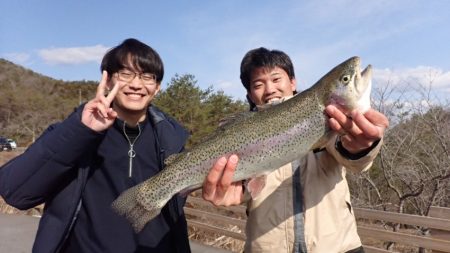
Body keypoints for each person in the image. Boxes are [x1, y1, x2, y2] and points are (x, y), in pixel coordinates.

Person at [0, 38, 191, 253]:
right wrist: (81, 130)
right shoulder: (74, 133)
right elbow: (15, 192)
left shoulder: (172, 140)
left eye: (147, 76)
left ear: (157, 88)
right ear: (107, 80)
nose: (137, 84)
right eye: (126, 74)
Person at [202, 47, 389, 253]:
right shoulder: (236, 136)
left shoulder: (331, 118)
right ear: (249, 94)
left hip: (338, 246)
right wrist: (226, 191)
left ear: (293, 82)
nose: (270, 89)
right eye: (258, 84)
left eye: (276, 79)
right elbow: (243, 189)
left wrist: (362, 146)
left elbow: (351, 156)